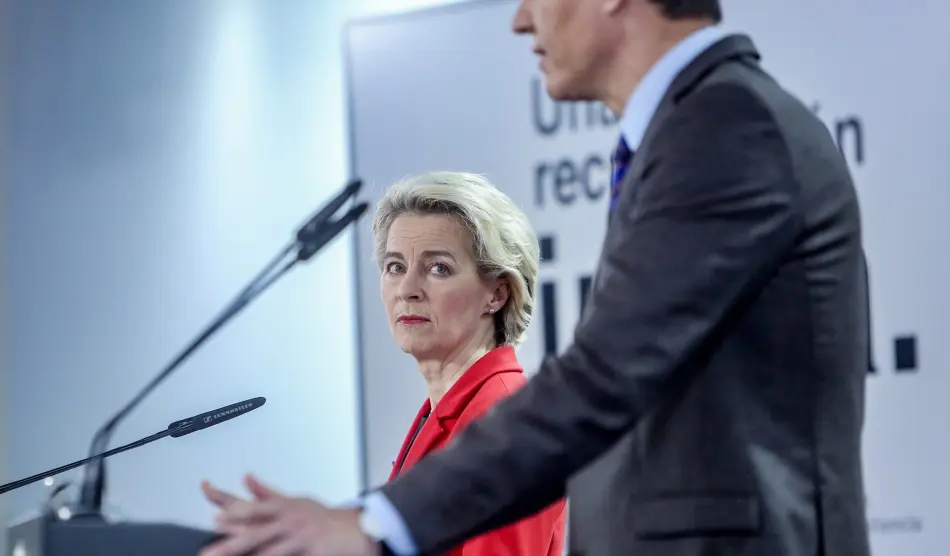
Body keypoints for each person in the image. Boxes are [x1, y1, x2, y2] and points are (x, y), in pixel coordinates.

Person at [202, 0, 875, 554]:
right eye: (395, 266)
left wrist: (374, 524)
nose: (521, 19)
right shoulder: (692, 128)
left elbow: (608, 374)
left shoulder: (726, 128)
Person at [199, 172, 566, 556]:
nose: (407, 289)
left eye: (438, 268)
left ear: (497, 294)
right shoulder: (448, 409)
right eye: (394, 267)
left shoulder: (504, 419)